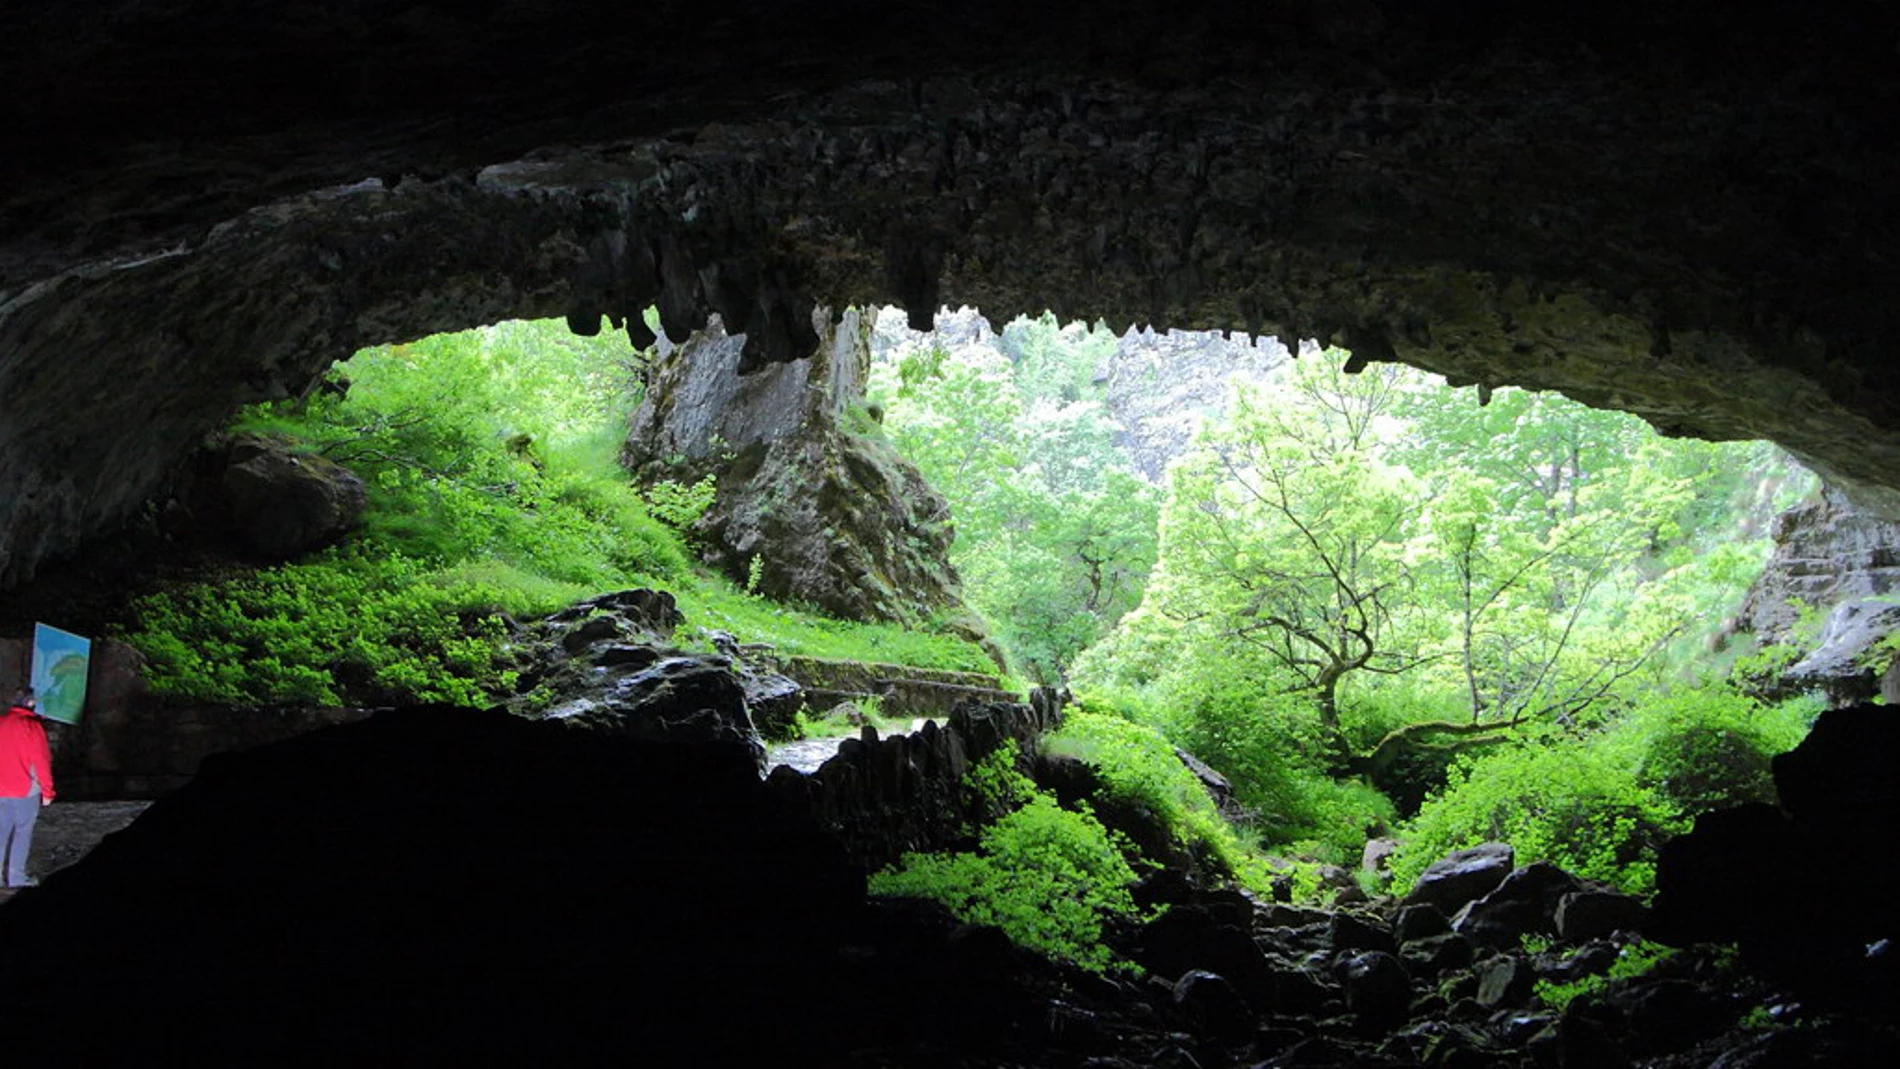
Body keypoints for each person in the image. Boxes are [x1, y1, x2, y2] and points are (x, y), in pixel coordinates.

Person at [0, 687, 55, 889]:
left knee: (0, 832)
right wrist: (48, 792)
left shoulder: (1, 723)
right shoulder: (32, 727)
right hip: (25, 790)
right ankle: (16, 878)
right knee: (22, 833)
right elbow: (41, 762)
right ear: (30, 703)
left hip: (1, 789)